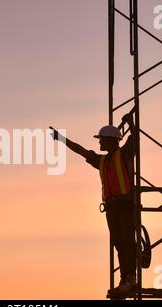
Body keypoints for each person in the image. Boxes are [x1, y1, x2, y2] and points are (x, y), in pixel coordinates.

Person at [50, 113, 136, 294]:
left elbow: (134, 139)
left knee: (127, 242)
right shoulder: (102, 160)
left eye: (102, 140)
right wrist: (62, 139)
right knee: (119, 243)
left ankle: (130, 279)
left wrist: (131, 122)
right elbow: (81, 150)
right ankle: (124, 280)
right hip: (112, 208)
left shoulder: (124, 154)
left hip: (126, 206)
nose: (99, 143)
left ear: (112, 140)